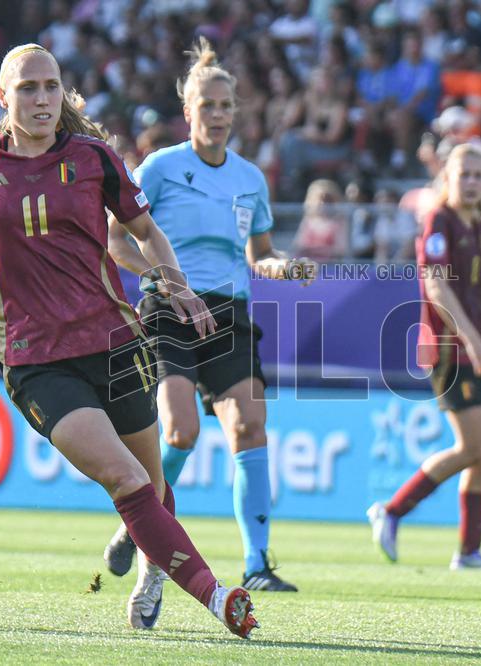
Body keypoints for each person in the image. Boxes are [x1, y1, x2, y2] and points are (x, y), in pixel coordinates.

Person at [0, 43, 258, 639]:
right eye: (28, 88)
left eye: (51, 86)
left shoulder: (93, 159)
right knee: (127, 481)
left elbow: (146, 233)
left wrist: (178, 288)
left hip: (114, 344)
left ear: (63, 93)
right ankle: (218, 597)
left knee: (153, 484)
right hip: (36, 361)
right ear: (3, 98)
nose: (41, 98)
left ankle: (152, 575)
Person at [104, 38, 317, 594]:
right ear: (188, 112)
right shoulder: (159, 168)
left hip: (228, 311)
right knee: (181, 429)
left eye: (226, 106)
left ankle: (258, 564)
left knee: (249, 427)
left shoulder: (250, 178)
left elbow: (259, 254)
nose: (218, 116)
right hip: (170, 306)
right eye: (208, 106)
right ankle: (142, 522)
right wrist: (153, 277)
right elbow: (116, 240)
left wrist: (281, 266)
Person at [367, 143, 481, 570]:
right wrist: (471, 341)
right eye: (464, 174)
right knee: (471, 446)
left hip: (479, 343)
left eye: (479, 175)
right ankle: (392, 510)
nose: (472, 182)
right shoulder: (440, 220)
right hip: (451, 348)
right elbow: (435, 287)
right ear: (448, 178)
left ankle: (469, 551)